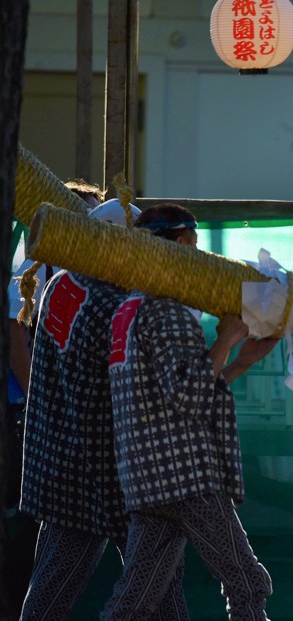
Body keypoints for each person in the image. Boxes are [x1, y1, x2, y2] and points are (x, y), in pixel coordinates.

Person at [102, 204, 279, 620]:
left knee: (135, 599)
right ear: (181, 244)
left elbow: (167, 391)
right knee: (247, 583)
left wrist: (239, 363)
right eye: (196, 247)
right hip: (185, 476)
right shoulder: (168, 309)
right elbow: (188, 394)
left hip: (144, 476)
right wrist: (228, 340)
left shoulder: (127, 310)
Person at [17, 200, 191, 621]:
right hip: (104, 480)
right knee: (158, 594)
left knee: (50, 589)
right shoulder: (113, 306)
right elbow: (123, 400)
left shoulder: (62, 284)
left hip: (59, 469)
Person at [4, 178, 103, 610]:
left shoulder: (94, 277)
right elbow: (15, 336)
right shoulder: (32, 269)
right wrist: (39, 400)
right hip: (29, 412)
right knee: (31, 523)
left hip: (71, 422)